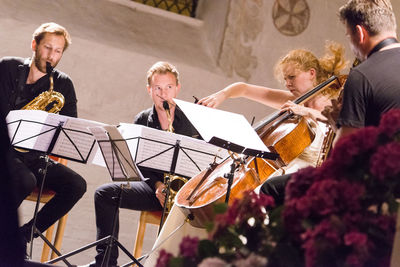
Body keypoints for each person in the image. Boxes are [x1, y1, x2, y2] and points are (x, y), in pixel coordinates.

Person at [199, 43, 347, 205]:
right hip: (281, 172)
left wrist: (306, 111)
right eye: (285, 79)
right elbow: (244, 89)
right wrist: (222, 95)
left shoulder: (334, 105)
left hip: (306, 178)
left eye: (292, 77)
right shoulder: (293, 101)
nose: (287, 83)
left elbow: (337, 123)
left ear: (312, 73)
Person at [90, 61, 199, 267]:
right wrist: (158, 187)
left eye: (168, 87)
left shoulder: (193, 119)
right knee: (104, 194)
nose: (163, 94)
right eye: (157, 88)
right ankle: (105, 262)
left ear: (177, 88)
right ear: (149, 90)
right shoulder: (142, 119)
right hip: (155, 190)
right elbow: (139, 163)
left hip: (184, 194)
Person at [0, 22, 87, 255]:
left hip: (34, 156)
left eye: (57, 51)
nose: (51, 55)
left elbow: (70, 128)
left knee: (77, 185)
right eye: (47, 47)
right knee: (25, 180)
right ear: (34, 45)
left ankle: (23, 236)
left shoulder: (63, 84)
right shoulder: (7, 67)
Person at [335, 0, 400, 138]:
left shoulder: (360, 76)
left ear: (360, 33)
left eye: (349, 36)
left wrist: (336, 123)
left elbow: (346, 150)